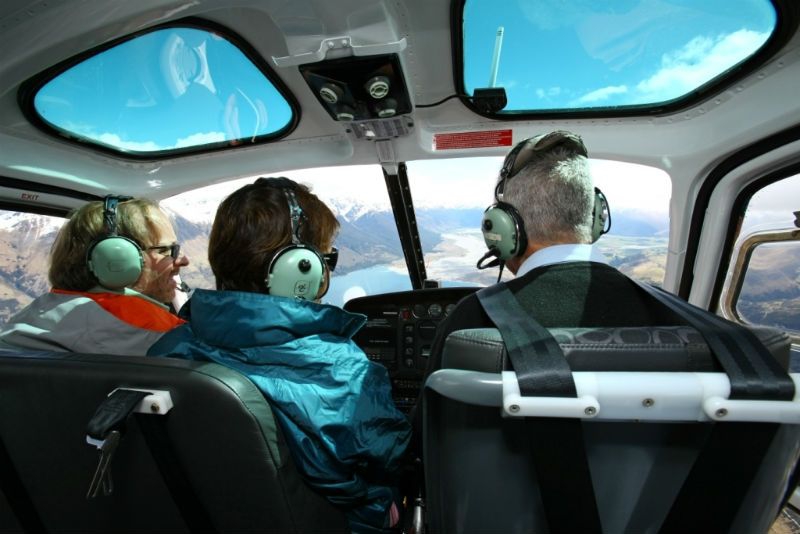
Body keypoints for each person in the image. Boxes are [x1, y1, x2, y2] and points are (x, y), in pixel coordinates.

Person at [148, 178, 411, 533]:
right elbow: (392, 454)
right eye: (326, 258)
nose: (326, 269)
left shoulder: (167, 349)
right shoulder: (341, 369)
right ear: (300, 266)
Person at [424, 130, 681, 379]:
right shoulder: (682, 318)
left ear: (504, 227)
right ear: (595, 218)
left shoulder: (470, 322)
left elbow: (432, 408)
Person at [0, 197, 189, 355]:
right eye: (165, 250)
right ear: (117, 259)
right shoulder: (148, 326)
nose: (183, 260)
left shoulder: (36, 312)